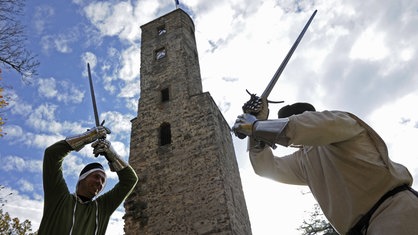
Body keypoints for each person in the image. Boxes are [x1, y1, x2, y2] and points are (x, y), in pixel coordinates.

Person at [232, 102, 418, 235]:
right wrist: (257, 132)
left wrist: (257, 125)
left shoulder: (341, 122)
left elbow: (303, 127)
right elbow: (266, 168)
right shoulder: (304, 160)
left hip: (396, 211)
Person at [38, 126, 138, 235]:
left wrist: (112, 155)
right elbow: (52, 154)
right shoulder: (59, 199)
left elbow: (130, 180)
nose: (99, 182)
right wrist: (87, 137)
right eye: (96, 176)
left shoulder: (102, 208)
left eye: (103, 180)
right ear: (82, 178)